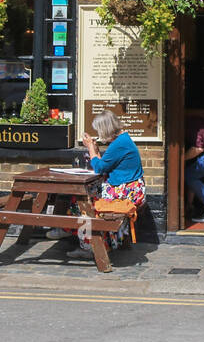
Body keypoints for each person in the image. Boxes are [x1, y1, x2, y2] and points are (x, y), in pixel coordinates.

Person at [56, 110, 145, 256]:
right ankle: (68, 230)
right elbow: (104, 165)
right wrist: (95, 150)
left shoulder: (119, 145)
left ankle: (87, 246)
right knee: (81, 198)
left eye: (99, 130)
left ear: (105, 129)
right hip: (129, 188)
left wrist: (90, 148)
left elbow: (98, 168)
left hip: (126, 191)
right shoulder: (122, 140)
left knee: (83, 202)